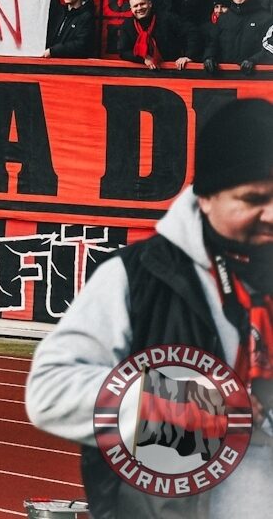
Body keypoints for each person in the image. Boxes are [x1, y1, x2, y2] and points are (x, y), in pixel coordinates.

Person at [26, 97, 273, 519]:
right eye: (252, 199)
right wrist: (186, 406)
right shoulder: (137, 276)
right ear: (206, 197)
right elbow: (49, 392)